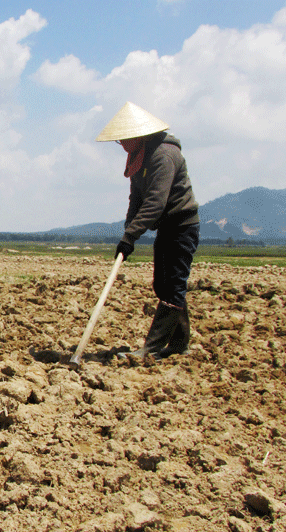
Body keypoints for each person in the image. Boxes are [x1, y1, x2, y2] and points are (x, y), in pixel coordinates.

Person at [96, 102, 200, 359]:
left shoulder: (163, 155)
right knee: (162, 285)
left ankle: (151, 348)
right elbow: (137, 198)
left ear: (137, 136)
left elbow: (156, 202)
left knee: (173, 285)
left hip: (182, 226)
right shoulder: (139, 156)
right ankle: (179, 344)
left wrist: (132, 236)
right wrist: (127, 232)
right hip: (166, 227)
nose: (121, 144)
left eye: (123, 139)